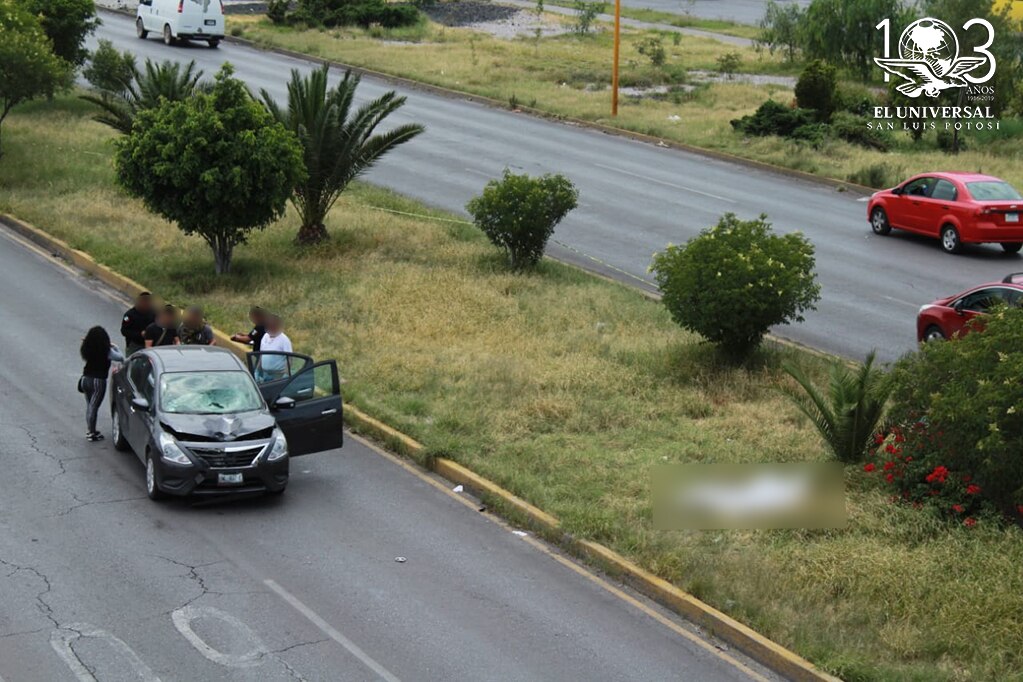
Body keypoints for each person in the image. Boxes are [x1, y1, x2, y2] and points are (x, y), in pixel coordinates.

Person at [80, 326, 124, 442]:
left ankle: (90, 429)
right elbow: (120, 357)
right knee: (94, 407)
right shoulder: (106, 351)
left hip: (85, 378)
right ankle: (92, 432)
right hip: (98, 381)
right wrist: (115, 347)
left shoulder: (87, 348)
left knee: (89, 405)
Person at [256, 313, 292, 381]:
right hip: (265, 374)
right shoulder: (265, 337)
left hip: (278, 375)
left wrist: (286, 374)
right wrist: (257, 370)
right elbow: (261, 355)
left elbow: (289, 358)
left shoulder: (284, 339)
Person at [120, 292, 155, 356]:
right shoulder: (129, 315)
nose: (145, 304)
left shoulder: (153, 314)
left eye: (147, 302)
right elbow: (124, 331)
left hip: (149, 345)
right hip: (134, 345)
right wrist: (139, 334)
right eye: (143, 301)